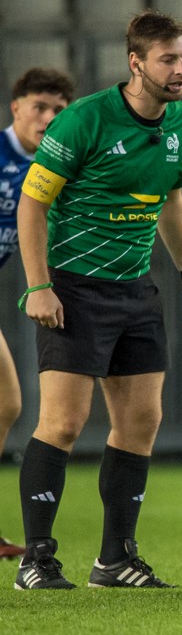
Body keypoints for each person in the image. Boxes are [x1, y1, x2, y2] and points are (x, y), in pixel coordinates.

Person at [14, 10, 182, 590]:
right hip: (73, 288)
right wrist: (38, 285)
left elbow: (170, 199)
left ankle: (115, 558)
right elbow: (33, 205)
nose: (180, 70)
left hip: (136, 290)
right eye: (168, 59)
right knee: (65, 421)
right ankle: (36, 559)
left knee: (142, 421)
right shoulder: (84, 120)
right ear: (136, 63)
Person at [0, 68, 75, 561]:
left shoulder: (53, 166)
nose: (48, 118)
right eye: (39, 107)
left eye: (59, 110)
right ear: (16, 109)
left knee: (6, 405)